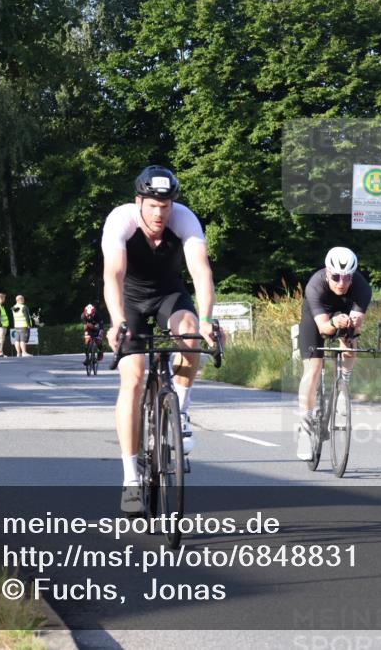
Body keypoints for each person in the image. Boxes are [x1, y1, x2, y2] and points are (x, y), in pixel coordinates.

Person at [102, 165, 217, 514]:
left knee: (190, 333)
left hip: (169, 294)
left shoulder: (184, 219)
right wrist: (117, 321)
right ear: (139, 201)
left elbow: (201, 271)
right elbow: (113, 275)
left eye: (165, 206)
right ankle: (130, 479)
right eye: (152, 205)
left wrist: (207, 320)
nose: (159, 213)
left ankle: (179, 410)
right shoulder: (120, 220)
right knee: (134, 377)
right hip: (131, 300)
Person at [296, 247, 371, 460]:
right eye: (336, 277)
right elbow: (323, 328)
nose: (341, 283)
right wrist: (334, 323)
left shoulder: (362, 288)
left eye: (347, 277)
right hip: (316, 319)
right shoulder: (315, 285)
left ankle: (342, 388)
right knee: (313, 369)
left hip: (344, 313)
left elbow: (357, 327)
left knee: (350, 341)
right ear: (328, 273)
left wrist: (352, 326)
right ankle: (305, 430)